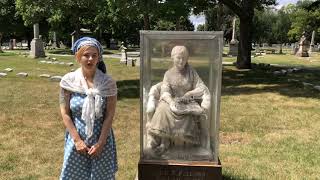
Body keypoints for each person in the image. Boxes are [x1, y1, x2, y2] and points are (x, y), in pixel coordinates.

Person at [59, 37, 117, 179]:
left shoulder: (108, 83)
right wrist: (77, 141)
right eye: (86, 55)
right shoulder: (68, 82)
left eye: (94, 55)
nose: (90, 59)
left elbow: (110, 115)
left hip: (101, 140)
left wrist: (101, 143)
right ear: (78, 57)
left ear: (99, 58)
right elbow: (65, 113)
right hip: (76, 140)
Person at [146, 45, 210, 157]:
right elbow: (165, 91)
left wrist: (189, 94)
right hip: (171, 100)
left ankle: (189, 145)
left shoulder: (191, 72)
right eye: (178, 58)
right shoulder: (168, 74)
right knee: (162, 109)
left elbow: (201, 87)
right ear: (172, 58)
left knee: (190, 113)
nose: (181, 61)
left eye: (184, 58)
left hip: (187, 101)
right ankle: (164, 142)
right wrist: (171, 102)